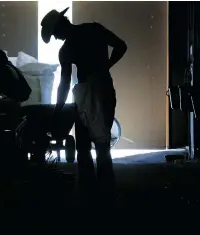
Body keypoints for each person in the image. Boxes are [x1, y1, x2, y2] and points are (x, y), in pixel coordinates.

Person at [41, 7, 127, 204]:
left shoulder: (66, 50)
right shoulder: (94, 29)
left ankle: (89, 196)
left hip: (84, 98)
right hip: (104, 90)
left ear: (61, 25)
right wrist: (106, 66)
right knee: (102, 144)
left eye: (54, 34)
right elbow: (121, 46)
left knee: (83, 147)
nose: (55, 38)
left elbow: (64, 84)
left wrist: (57, 110)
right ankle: (107, 194)